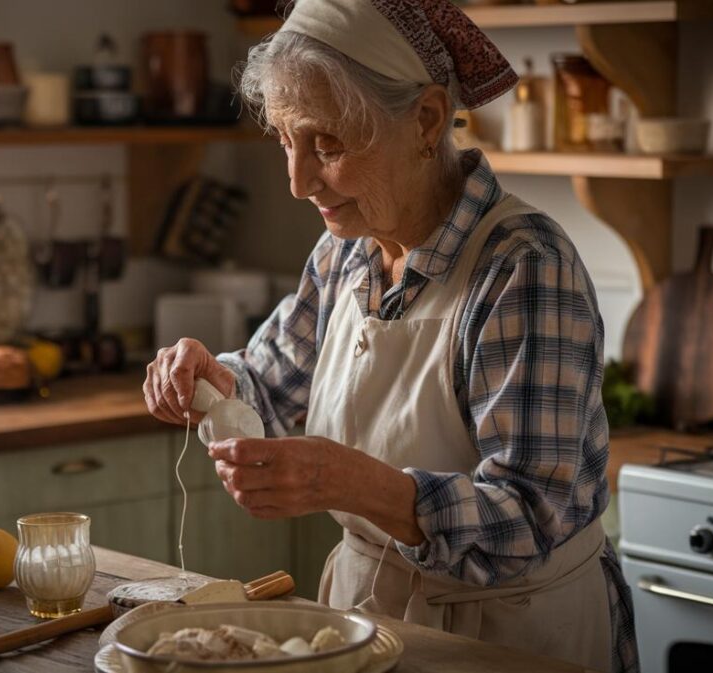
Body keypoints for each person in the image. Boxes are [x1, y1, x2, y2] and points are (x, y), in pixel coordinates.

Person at [142, 1, 637, 671]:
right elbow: (270, 382)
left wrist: (353, 483)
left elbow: (527, 518)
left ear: (427, 120)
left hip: (511, 637)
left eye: (329, 144)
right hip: (362, 622)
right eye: (287, 140)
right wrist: (210, 381)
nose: (297, 181)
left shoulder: (522, 267)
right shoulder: (345, 251)